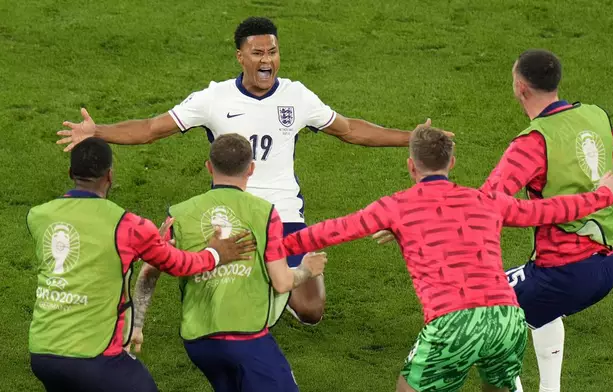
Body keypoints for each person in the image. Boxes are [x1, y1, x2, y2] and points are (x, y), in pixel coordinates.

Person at [56, 16, 429, 326]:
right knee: (226, 311)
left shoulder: (297, 96)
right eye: (257, 53)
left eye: (273, 52)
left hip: (283, 216)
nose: (267, 60)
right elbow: (152, 128)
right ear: (240, 56)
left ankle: (266, 277)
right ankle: (248, 280)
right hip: (231, 216)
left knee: (312, 312)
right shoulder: (214, 98)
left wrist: (411, 138)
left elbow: (351, 130)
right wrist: (97, 131)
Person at [278, 128, 613, 392]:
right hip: (507, 318)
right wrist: (603, 195)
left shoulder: (395, 207)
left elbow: (330, 231)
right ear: (453, 162)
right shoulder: (487, 201)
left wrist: (276, 246)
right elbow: (549, 209)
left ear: (410, 166)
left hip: (453, 321)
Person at [26, 137, 255, 392]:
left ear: (71, 173)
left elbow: (91, 251)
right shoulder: (129, 225)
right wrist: (215, 253)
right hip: (94, 355)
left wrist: (146, 244)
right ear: (110, 175)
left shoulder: (38, 216)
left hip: (42, 353)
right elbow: (179, 264)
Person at [480, 49, 613, 392]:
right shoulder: (595, 115)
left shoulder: (534, 143)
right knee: (537, 304)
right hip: (607, 267)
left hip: (564, 271)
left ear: (521, 88)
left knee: (477, 305)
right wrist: (596, 192)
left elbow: (486, 204)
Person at [130, 134, 328, 392]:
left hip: (199, 343)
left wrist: (136, 324)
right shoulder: (264, 213)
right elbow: (282, 282)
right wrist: (306, 269)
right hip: (246, 338)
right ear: (252, 169)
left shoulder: (179, 214)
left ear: (209, 167)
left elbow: (149, 269)